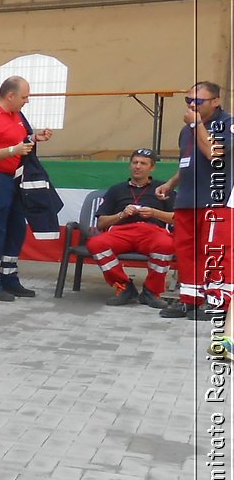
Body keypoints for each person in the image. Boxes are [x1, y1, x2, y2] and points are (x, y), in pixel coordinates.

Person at [0, 77, 54, 302]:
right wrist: (12, 150)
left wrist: (35, 138)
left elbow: (18, 139)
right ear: (10, 96)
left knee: (16, 228)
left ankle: (9, 278)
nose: (26, 102)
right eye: (24, 97)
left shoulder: (16, 115)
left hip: (15, 179)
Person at [155, 83, 230, 319]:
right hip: (187, 198)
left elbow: (213, 154)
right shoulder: (187, 129)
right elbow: (187, 162)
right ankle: (190, 299)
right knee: (186, 250)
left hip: (217, 198)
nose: (191, 105)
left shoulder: (227, 124)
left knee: (215, 251)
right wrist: (170, 184)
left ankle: (218, 301)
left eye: (198, 101)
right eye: (188, 101)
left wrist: (196, 124)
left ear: (215, 101)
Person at [86, 149, 175, 308]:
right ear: (130, 165)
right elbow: (101, 223)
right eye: (135, 162)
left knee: (166, 245)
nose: (138, 167)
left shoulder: (163, 189)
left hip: (152, 231)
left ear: (152, 168)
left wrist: (155, 213)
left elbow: (178, 218)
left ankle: (151, 292)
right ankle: (124, 287)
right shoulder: (116, 190)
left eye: (143, 163)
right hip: (122, 232)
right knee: (96, 244)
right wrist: (121, 214)